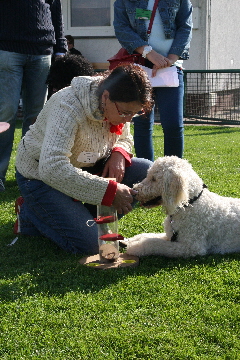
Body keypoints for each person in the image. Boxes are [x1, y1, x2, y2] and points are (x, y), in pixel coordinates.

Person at [15, 64, 154, 255]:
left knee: (145, 170)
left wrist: (119, 153)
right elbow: (52, 167)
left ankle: (71, 216)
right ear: (105, 96)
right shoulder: (68, 105)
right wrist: (108, 190)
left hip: (90, 167)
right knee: (91, 245)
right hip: (39, 176)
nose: (128, 119)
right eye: (124, 112)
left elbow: (124, 138)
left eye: (135, 113)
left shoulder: (119, 102)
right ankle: (30, 213)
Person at [0, 0, 67, 192]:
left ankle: (28, 174)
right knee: (6, 113)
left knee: (36, 117)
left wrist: (61, 48)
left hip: (42, 51)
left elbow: (56, 12)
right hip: (7, 48)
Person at [113, 0, 193, 161]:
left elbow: (185, 27)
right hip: (139, 64)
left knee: (173, 125)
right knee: (142, 124)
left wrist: (171, 58)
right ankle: (147, 174)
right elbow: (122, 28)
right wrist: (149, 53)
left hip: (171, 66)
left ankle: (173, 173)